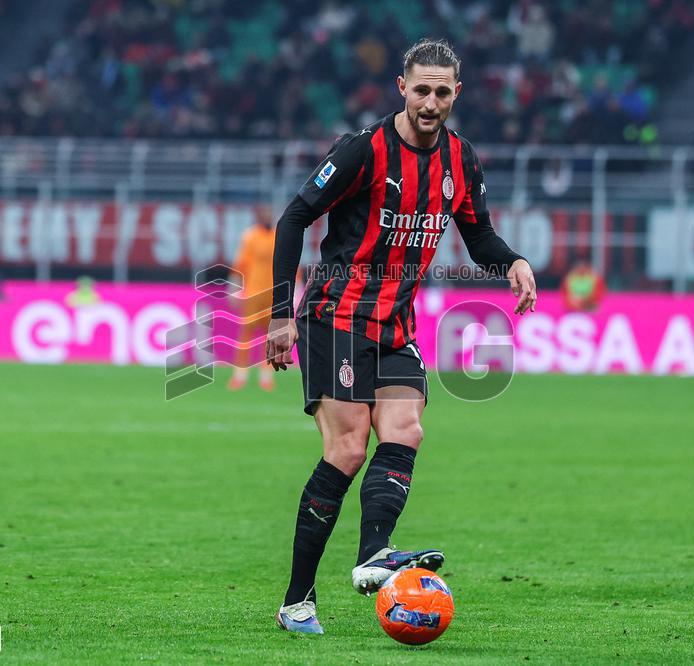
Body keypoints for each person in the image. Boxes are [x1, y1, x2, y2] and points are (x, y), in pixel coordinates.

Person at [265, 38, 537, 634]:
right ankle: (296, 601)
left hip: (396, 325)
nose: (431, 101)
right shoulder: (363, 151)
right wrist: (280, 315)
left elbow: (479, 235)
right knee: (348, 448)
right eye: (422, 90)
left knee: (406, 429)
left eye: (442, 91)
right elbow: (293, 216)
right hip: (334, 317)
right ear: (402, 89)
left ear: (456, 93)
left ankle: (373, 555)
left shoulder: (461, 162)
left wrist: (512, 260)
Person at [228, 211, 277, 391]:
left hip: (273, 293)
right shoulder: (250, 236)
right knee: (245, 335)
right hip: (253, 293)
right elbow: (241, 263)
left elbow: (290, 264)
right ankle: (240, 375)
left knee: (270, 336)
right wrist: (234, 287)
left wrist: (295, 289)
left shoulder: (278, 236)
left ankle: (266, 375)